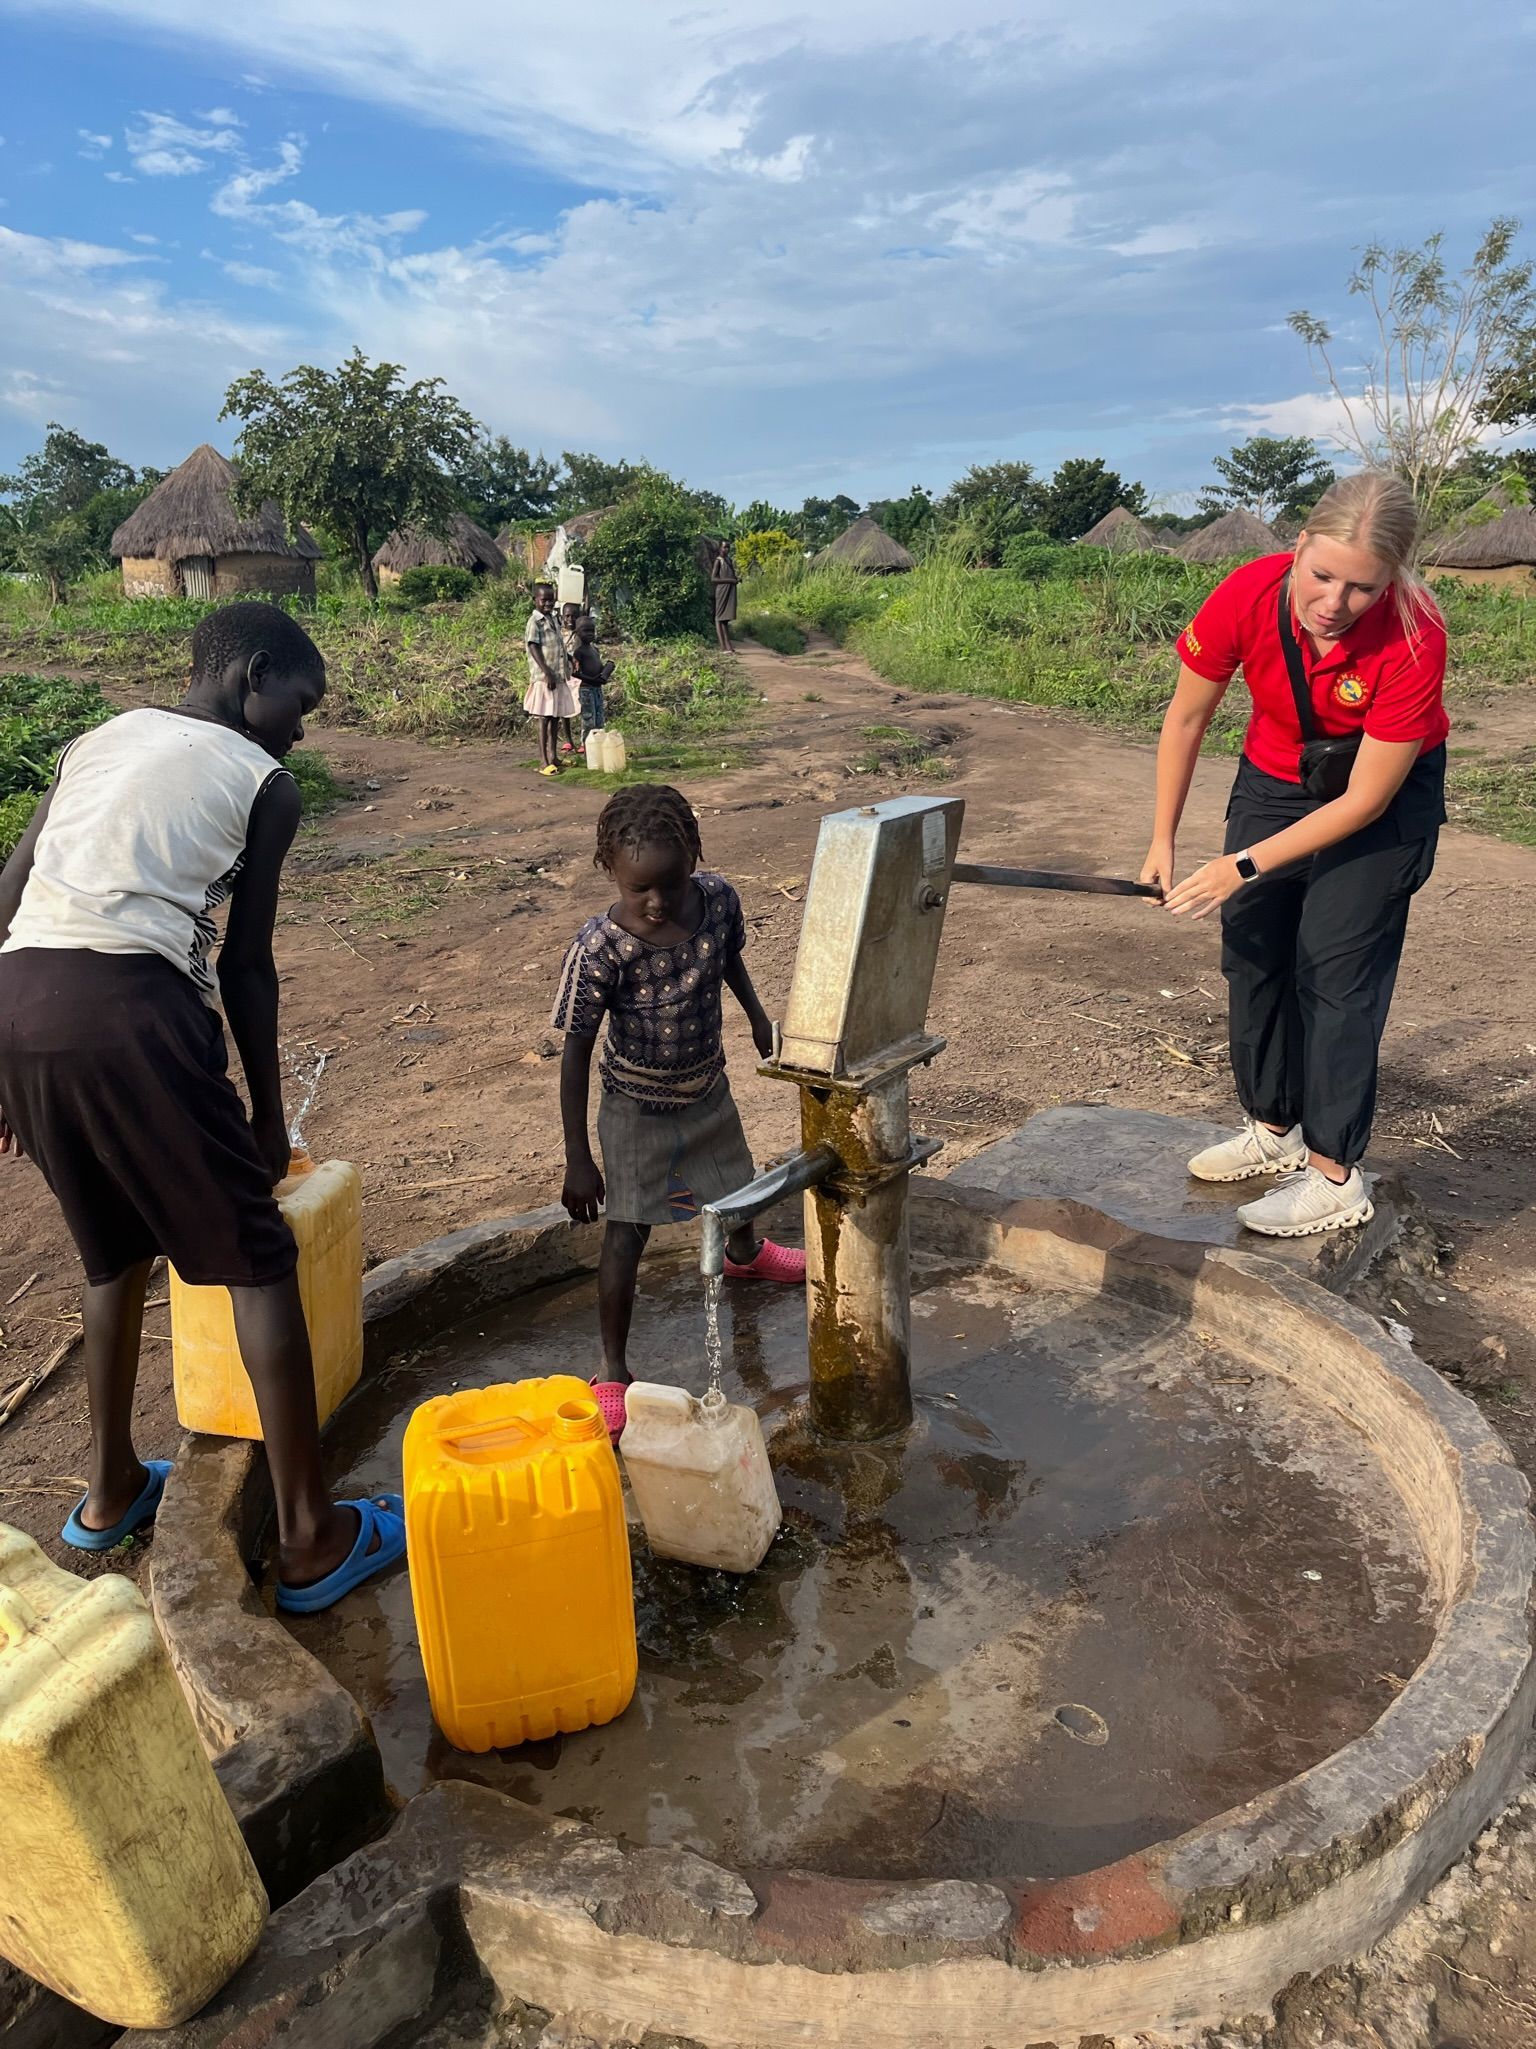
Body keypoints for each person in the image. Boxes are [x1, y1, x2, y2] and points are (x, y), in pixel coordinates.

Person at [0, 602, 405, 1609]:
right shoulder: (266, 782)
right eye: (300, 705)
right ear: (252, 676)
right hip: (132, 1012)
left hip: (20, 1006)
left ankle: (111, 1490)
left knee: (116, 1253)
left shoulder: (99, 739)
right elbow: (248, 967)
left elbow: (8, 894)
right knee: (258, 1261)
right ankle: (312, 1535)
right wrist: (268, 1120)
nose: (303, 731)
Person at [1141, 472, 1448, 1239]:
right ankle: (1272, 1128)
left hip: (1381, 798)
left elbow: (1363, 803)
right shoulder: (1245, 594)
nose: (1334, 604)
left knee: (1335, 971)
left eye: (1361, 588)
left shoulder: (1414, 636)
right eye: (1322, 575)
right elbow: (1186, 719)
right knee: (1253, 953)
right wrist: (1163, 838)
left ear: (1393, 579)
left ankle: (1336, 1174)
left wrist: (1239, 864)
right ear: (1299, 545)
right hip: (1276, 776)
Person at [552, 784, 805, 1439]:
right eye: (641, 889)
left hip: (707, 1091)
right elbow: (576, 1053)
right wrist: (579, 1157)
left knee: (741, 1188)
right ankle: (612, 1367)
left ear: (694, 854)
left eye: (670, 882)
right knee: (626, 1232)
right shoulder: (599, 948)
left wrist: (755, 1016)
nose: (658, 903)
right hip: (634, 1107)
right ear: (610, 870)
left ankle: (744, 1255)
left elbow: (729, 961)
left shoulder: (718, 902)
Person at [524, 582, 578, 775]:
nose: (548, 603)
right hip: (545, 678)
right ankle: (543, 760)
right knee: (545, 718)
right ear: (535, 600)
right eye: (543, 599)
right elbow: (533, 646)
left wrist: (570, 658)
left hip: (558, 675)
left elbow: (559, 644)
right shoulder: (535, 621)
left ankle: (553, 756)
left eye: (551, 599)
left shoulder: (554, 619)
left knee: (554, 717)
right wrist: (546, 671)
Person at [571, 615, 615, 744]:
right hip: (586, 690)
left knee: (599, 719)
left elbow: (599, 669)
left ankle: (599, 745)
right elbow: (575, 673)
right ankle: (587, 747)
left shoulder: (595, 650)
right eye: (586, 631)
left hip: (597, 689)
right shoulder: (578, 652)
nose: (590, 634)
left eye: (592, 631)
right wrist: (594, 680)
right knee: (589, 720)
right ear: (577, 632)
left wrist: (608, 669)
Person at [710, 540, 738, 654]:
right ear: (720, 548)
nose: (726, 550)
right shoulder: (719, 561)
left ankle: (729, 647)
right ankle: (723, 647)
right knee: (719, 618)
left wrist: (736, 579)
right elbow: (714, 579)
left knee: (725, 619)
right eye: (724, 547)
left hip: (730, 591)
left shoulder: (729, 560)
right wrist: (730, 581)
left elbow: (731, 575)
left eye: (728, 548)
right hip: (722, 591)